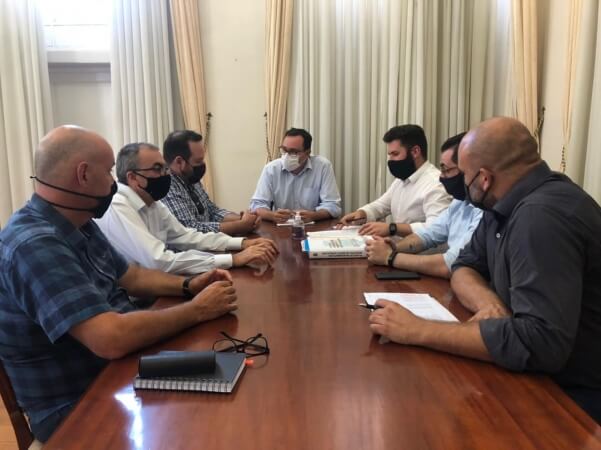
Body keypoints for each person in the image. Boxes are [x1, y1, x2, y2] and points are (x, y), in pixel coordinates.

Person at [0, 126, 239, 442]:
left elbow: (133, 277)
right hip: (77, 403)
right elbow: (109, 338)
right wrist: (197, 310)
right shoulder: (34, 243)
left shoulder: (79, 222)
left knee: (229, 375)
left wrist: (189, 285)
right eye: (109, 171)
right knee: (209, 426)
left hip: (119, 371)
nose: (114, 181)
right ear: (83, 175)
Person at [368, 117, 601, 423]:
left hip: (573, 396)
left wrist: (417, 329)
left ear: (485, 178)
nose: (458, 184)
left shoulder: (541, 218)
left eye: (463, 174)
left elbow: (540, 343)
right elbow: (464, 265)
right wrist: (487, 302)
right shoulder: (503, 201)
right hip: (536, 371)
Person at [96, 142, 278, 274]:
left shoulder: (152, 202)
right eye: (157, 169)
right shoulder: (118, 205)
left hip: (161, 285)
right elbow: (159, 261)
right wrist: (234, 259)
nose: (165, 175)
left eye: (165, 169)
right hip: (136, 300)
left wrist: (241, 243)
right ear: (133, 177)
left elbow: (187, 236)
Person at [365, 133, 482, 278]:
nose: (442, 177)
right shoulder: (459, 202)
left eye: (446, 170)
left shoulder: (484, 212)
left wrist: (390, 257)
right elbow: (428, 234)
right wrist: (393, 247)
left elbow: (452, 263)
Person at [339, 124, 451, 237]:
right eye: (390, 155)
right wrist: (362, 213)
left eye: (395, 154)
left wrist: (392, 228)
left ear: (415, 152)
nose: (391, 160)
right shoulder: (402, 179)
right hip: (397, 245)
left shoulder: (436, 184)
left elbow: (436, 228)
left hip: (420, 248)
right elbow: (381, 205)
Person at [162, 130, 260, 236]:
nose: (202, 165)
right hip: (193, 246)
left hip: (211, 243)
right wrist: (240, 225)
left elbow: (211, 211)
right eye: (198, 161)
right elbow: (191, 230)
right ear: (179, 162)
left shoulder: (190, 178)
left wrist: (243, 218)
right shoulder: (166, 187)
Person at [249, 128, 342, 223]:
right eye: (284, 150)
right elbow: (256, 205)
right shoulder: (271, 169)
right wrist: (272, 215)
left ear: (307, 153)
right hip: (280, 227)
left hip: (313, 226)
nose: (287, 156)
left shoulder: (322, 166)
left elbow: (332, 205)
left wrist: (314, 216)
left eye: (293, 152)